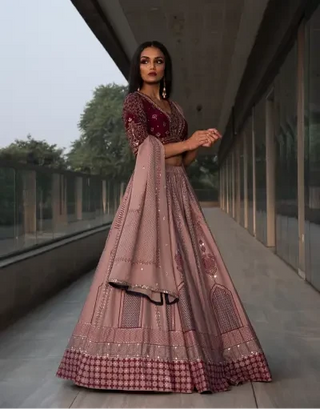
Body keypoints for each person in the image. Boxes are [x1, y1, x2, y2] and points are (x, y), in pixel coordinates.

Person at [56, 41, 272, 393]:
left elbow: (182, 160)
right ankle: (129, 361)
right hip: (149, 193)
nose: (151, 66)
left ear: (165, 67)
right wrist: (188, 143)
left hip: (177, 190)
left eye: (158, 61)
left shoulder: (174, 107)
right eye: (145, 61)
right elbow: (142, 148)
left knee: (189, 268)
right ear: (137, 68)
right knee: (151, 265)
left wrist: (198, 145)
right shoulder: (134, 103)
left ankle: (196, 355)